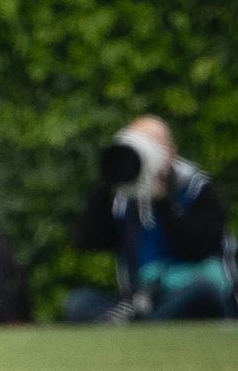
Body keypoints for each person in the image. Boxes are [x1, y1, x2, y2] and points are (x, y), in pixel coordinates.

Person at [67, 115, 234, 322]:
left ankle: (136, 325)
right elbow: (87, 240)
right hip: (142, 300)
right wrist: (105, 186)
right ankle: (140, 321)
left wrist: (163, 200)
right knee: (79, 302)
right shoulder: (123, 196)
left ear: (171, 152)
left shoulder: (195, 187)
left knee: (203, 291)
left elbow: (198, 248)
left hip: (190, 293)